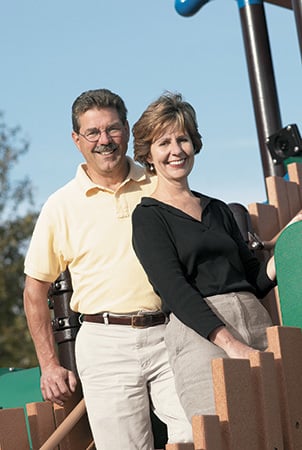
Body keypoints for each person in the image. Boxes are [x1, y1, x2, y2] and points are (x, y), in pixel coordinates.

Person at [23, 88, 193, 449]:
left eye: (113, 129)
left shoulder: (157, 182)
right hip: (104, 343)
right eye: (93, 133)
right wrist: (49, 365)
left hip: (171, 333)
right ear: (76, 140)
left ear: (128, 130)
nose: (105, 140)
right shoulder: (60, 206)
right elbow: (34, 291)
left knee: (196, 433)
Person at [131, 91, 302, 421]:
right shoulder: (148, 217)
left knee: (280, 426)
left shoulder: (219, 209)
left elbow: (254, 279)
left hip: (256, 321)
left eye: (182, 139)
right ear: (148, 155)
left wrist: (290, 245)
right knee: (225, 432)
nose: (176, 150)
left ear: (194, 144)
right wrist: (231, 344)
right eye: (163, 142)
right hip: (201, 336)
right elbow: (175, 291)